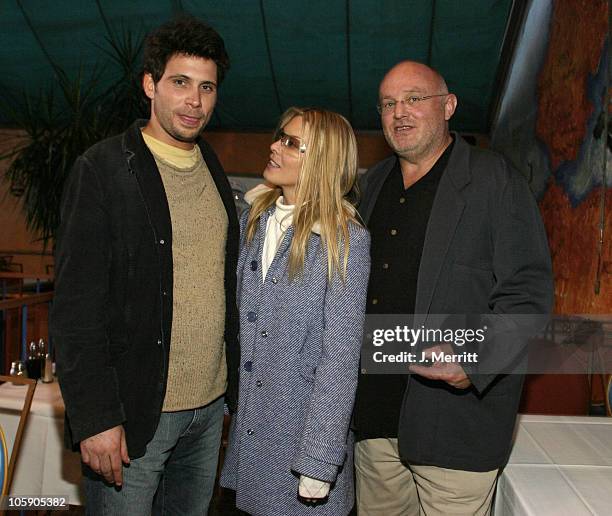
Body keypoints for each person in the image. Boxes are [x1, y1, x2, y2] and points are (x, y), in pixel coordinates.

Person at [50, 16, 240, 515]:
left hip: (207, 412)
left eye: (207, 87)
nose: (194, 102)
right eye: (180, 83)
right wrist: (94, 419)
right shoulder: (103, 169)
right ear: (150, 84)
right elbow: (76, 308)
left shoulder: (214, 170)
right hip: (134, 419)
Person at [352, 61, 553, 515]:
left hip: (455, 426)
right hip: (375, 424)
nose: (399, 112)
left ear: (448, 106)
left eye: (414, 99)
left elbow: (528, 292)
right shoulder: (373, 184)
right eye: (388, 103)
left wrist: (476, 357)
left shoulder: (494, 180)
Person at [220, 107, 370, 515]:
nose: (273, 146)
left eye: (290, 142)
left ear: (321, 158)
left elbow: (339, 359)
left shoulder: (345, 241)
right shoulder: (253, 220)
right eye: (278, 136)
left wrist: (320, 461)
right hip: (252, 436)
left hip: (300, 444)